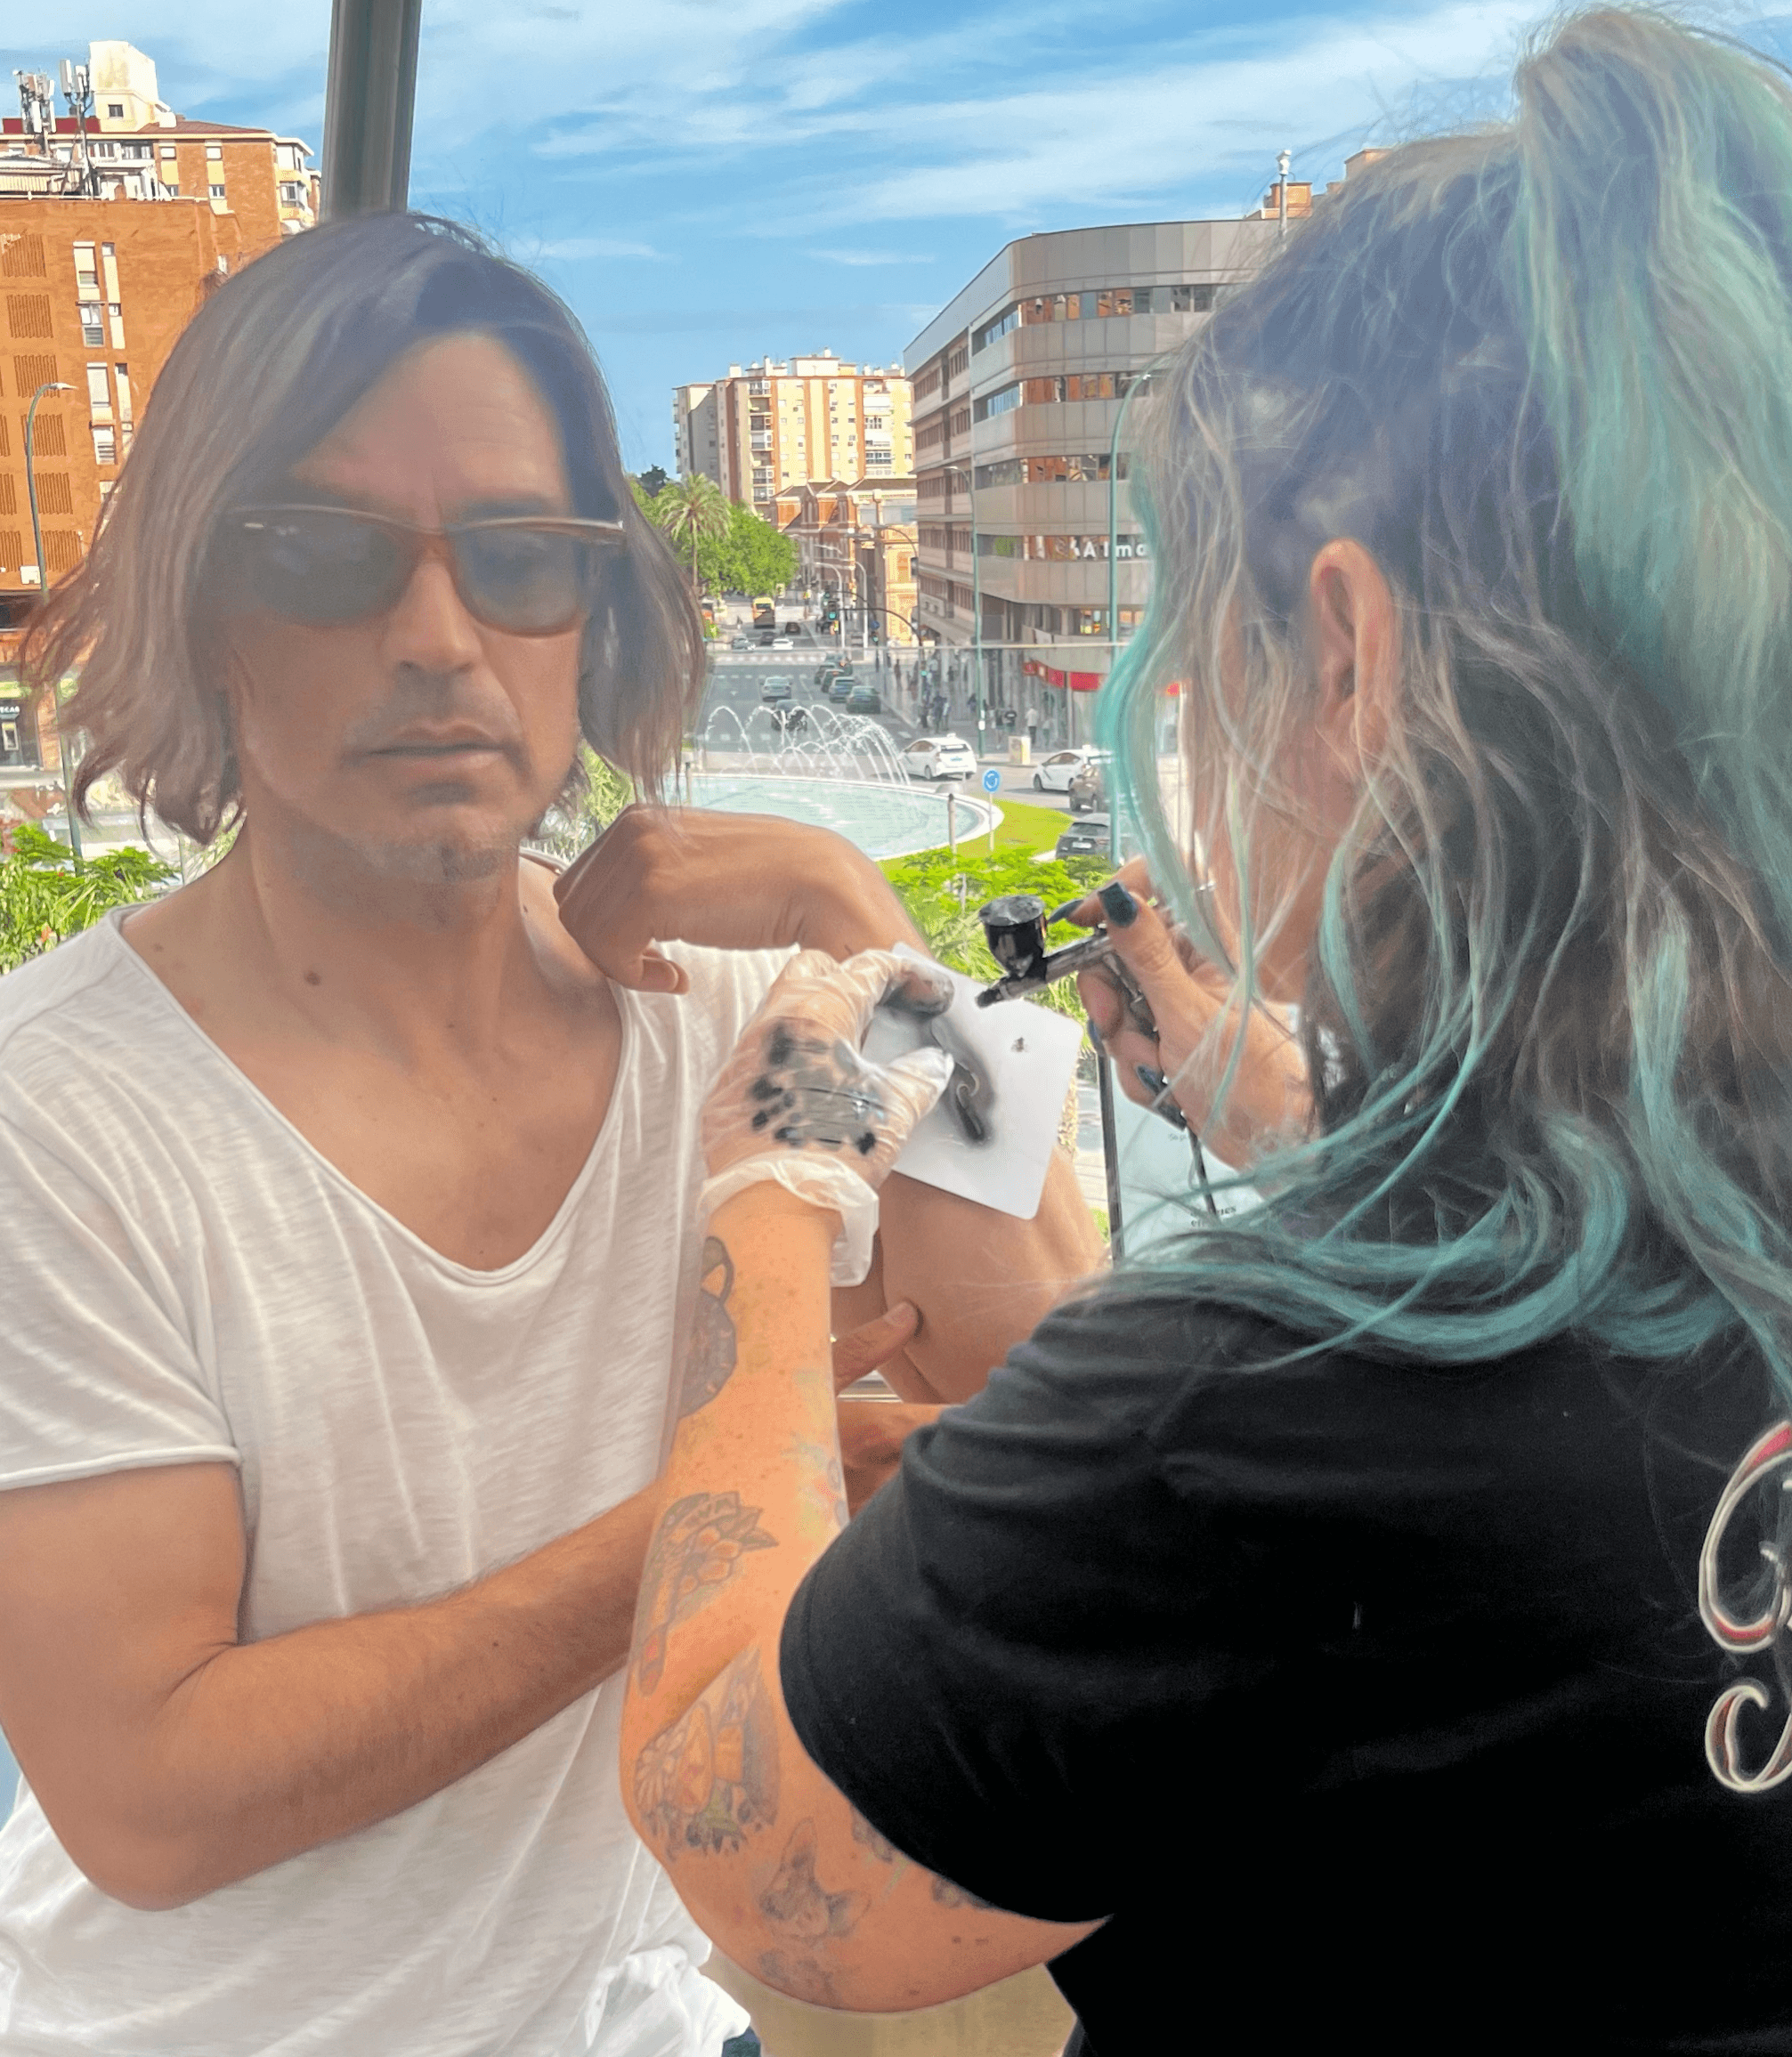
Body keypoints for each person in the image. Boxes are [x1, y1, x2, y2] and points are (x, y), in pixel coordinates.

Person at [618, 12, 1792, 2053]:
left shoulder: (1245, 1408)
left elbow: (744, 1818)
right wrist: (888, 941)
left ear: (1341, 646)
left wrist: (768, 1181)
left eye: (1208, 640)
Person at [0, 213, 1093, 2056]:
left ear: (592, 617)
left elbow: (1048, 1395)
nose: (436, 637)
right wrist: (722, 1505)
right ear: (204, 605)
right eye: (329, 556)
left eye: (518, 555)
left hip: (637, 2016)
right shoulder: (61, 1113)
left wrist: (860, 921)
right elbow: (155, 1795)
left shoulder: (741, 1029)